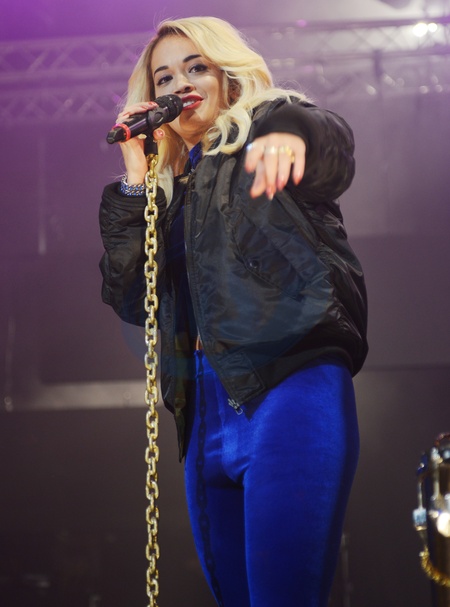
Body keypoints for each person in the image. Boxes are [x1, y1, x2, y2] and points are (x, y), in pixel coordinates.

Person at [99, 16, 368, 607]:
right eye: (164, 77)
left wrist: (291, 134)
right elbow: (131, 296)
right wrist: (137, 179)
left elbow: (330, 144)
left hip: (287, 385)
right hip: (204, 411)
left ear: (227, 75)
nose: (180, 83)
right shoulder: (167, 194)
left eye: (196, 67)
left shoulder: (266, 129)